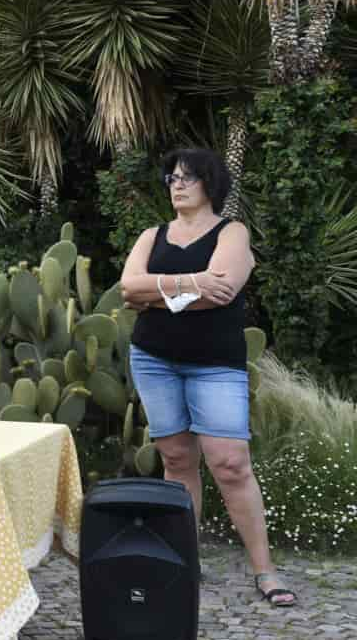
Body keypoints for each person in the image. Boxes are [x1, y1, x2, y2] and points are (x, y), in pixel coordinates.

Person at [120, 148, 296, 607]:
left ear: (210, 185)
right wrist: (192, 282)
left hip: (215, 364)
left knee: (231, 464)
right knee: (177, 461)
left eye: (187, 178)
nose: (176, 184)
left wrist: (157, 291)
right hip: (154, 358)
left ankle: (265, 571)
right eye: (172, 177)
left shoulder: (232, 232)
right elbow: (127, 288)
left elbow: (222, 293)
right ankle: (184, 563)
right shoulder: (151, 234)